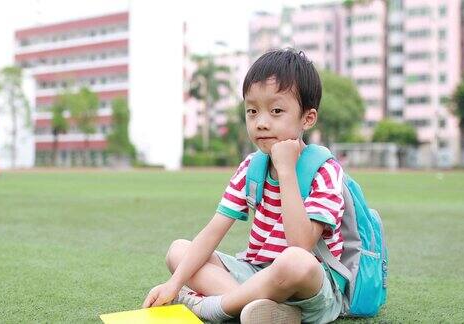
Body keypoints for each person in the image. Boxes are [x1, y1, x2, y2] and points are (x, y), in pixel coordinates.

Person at [143, 48, 345, 324]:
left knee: (294, 261)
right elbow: (214, 230)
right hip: (256, 273)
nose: (261, 123)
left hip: (310, 287)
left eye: (276, 111)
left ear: (307, 118)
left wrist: (286, 171)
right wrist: (175, 284)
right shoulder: (252, 167)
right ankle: (266, 310)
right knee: (178, 250)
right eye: (252, 111)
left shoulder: (324, 170)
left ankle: (216, 307)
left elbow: (300, 245)